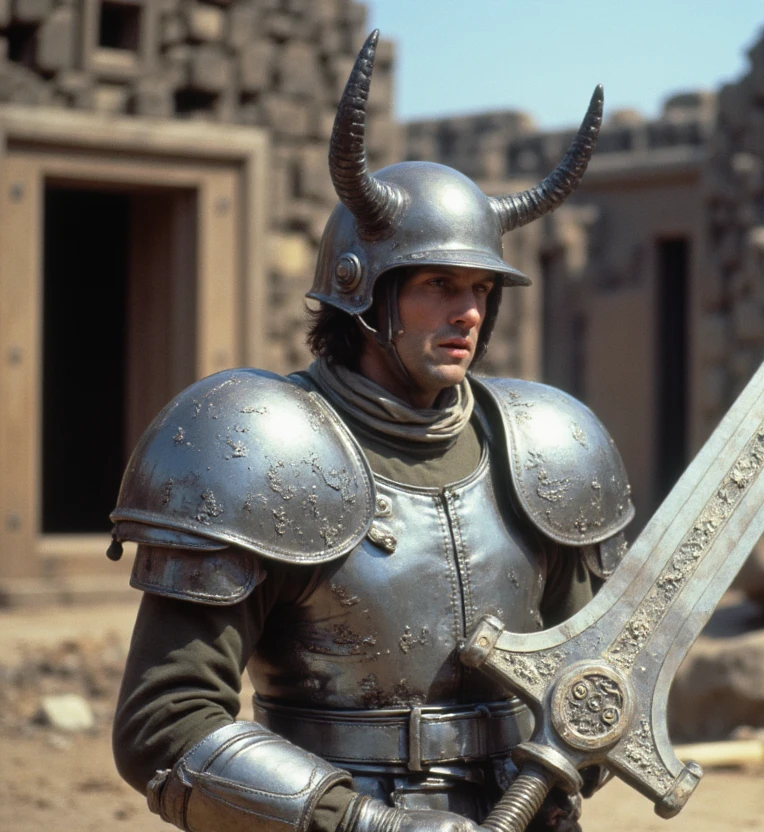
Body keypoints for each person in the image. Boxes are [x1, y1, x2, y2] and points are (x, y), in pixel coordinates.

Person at [107, 31, 631, 832]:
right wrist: (368, 825)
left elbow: (589, 684)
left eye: (481, 289)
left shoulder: (549, 448)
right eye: (435, 285)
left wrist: (564, 766)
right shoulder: (259, 448)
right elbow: (165, 727)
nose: (466, 313)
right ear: (362, 290)